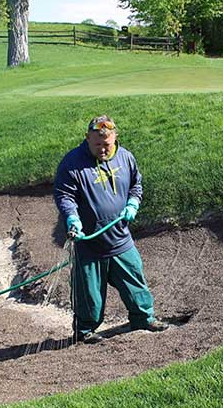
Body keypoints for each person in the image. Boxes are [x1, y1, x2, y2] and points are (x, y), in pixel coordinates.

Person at [54, 115, 168, 341]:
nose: (103, 150)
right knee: (90, 296)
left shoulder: (126, 157)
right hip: (89, 245)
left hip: (120, 239)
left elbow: (136, 184)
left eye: (107, 144)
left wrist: (133, 203)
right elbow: (65, 195)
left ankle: (143, 319)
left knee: (135, 283)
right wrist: (72, 218)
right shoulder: (72, 163)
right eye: (97, 144)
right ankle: (85, 331)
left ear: (115, 138)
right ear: (87, 139)